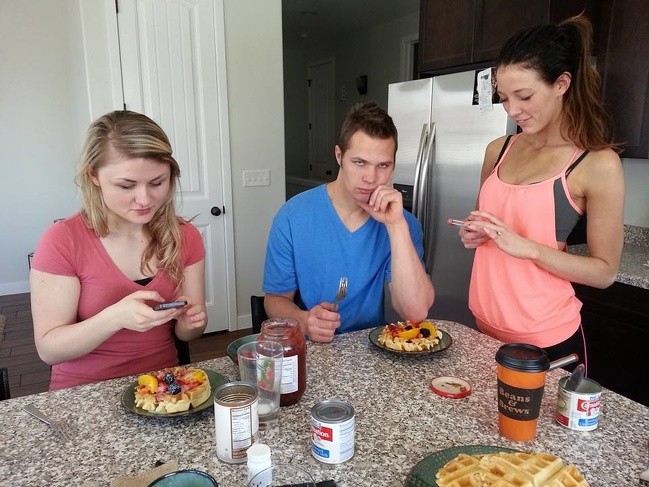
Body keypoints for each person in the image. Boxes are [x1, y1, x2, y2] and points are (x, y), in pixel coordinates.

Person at [454, 15, 624, 367]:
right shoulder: (498, 149)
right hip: (483, 325)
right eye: (503, 98)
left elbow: (605, 272)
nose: (513, 110)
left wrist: (527, 248)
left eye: (525, 96)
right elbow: (489, 226)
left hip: (546, 340)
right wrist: (477, 232)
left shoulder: (596, 163)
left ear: (561, 83)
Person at [30, 110, 207, 390]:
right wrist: (115, 318)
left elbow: (188, 334)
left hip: (162, 387)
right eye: (126, 185)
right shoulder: (62, 240)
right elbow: (49, 350)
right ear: (94, 176)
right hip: (82, 392)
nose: (144, 199)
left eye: (157, 182)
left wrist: (192, 322)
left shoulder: (186, 236)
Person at [263, 101, 435, 342]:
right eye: (359, 162)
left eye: (383, 165)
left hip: (373, 350)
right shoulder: (292, 216)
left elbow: (415, 311)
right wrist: (304, 321)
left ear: (393, 166)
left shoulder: (404, 225)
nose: (371, 178)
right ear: (339, 156)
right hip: (312, 349)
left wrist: (396, 228)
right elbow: (275, 299)